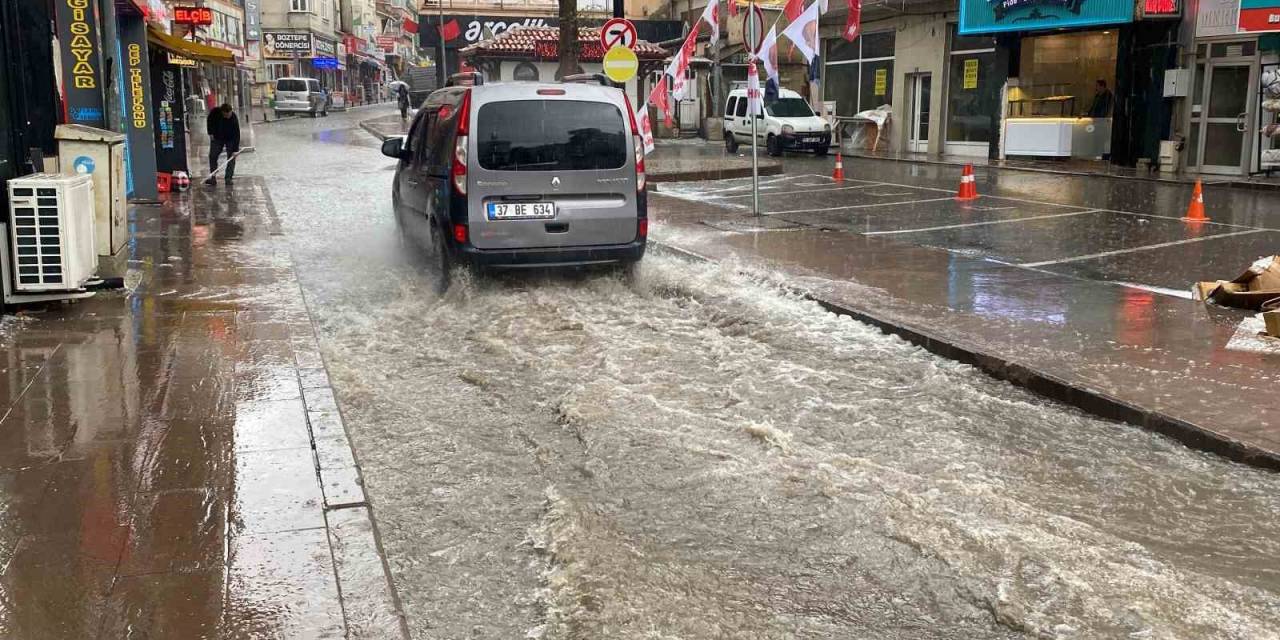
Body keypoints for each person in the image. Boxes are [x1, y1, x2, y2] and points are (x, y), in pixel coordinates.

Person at [204, 103, 240, 187]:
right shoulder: (215, 112)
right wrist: (210, 133)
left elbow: (237, 134)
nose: (228, 116)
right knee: (212, 156)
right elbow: (209, 120)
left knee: (231, 158)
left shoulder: (234, 118)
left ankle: (228, 178)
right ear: (222, 112)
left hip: (230, 139)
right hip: (217, 138)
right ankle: (213, 177)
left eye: (229, 114)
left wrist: (235, 150)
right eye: (226, 115)